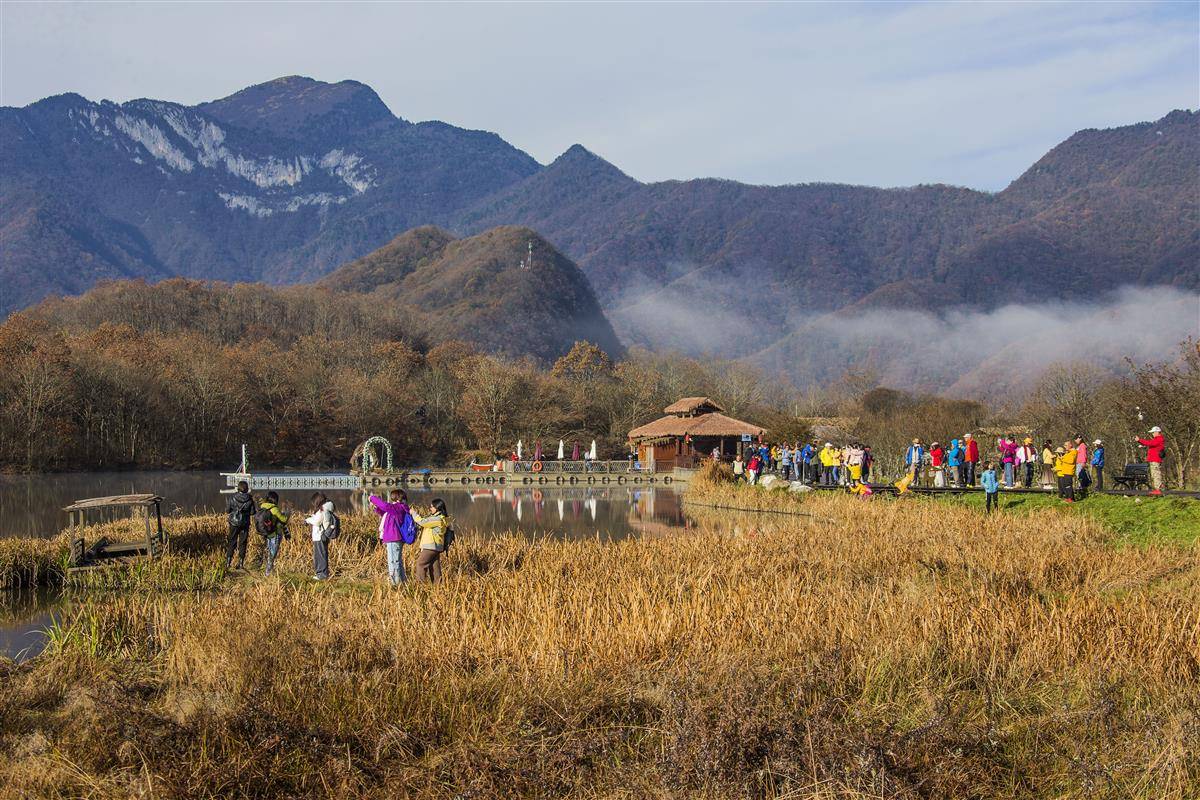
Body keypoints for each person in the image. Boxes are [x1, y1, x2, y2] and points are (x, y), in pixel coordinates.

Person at [370, 489, 412, 586]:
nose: (391, 499)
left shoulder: (398, 507)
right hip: (395, 538)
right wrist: (377, 508)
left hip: (394, 538)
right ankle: (402, 581)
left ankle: (395, 583)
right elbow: (386, 514)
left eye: (393, 496)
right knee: (398, 561)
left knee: (393, 561)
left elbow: (385, 506)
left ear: (397, 497)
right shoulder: (399, 508)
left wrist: (372, 498)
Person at [413, 498, 451, 582]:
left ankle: (421, 586)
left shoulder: (437, 519)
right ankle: (438, 587)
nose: (430, 509)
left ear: (437, 508)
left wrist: (413, 513)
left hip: (431, 546)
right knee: (434, 567)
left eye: (432, 507)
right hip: (436, 547)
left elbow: (422, 522)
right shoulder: (442, 518)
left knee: (420, 564)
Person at [255, 491, 289, 576]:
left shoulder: (262, 506)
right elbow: (284, 520)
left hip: (267, 533)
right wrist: (287, 512)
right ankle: (268, 572)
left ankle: (269, 570)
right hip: (275, 533)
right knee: (273, 553)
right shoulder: (274, 509)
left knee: (270, 551)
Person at [225, 480, 256, 570]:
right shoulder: (250, 500)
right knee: (243, 543)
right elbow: (252, 512)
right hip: (245, 523)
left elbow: (227, 510)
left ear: (238, 488)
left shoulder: (232, 498)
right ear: (247, 489)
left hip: (234, 523)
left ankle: (228, 563)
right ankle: (241, 564)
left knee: (232, 541)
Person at [305, 492, 335, 581]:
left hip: (320, 535)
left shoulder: (323, 510)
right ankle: (321, 574)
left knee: (320, 556)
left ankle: (322, 575)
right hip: (322, 535)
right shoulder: (326, 508)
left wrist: (307, 520)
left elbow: (317, 522)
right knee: (321, 555)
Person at [1136, 426, 1165, 494]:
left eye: (1153, 432)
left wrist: (1139, 440)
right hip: (1153, 459)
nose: (1152, 434)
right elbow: (1151, 445)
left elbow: (1150, 443)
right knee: (1154, 474)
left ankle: (1158, 490)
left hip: (1155, 459)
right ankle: (1158, 489)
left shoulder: (1159, 439)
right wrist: (1143, 445)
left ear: (1157, 432)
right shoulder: (1157, 439)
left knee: (1156, 474)